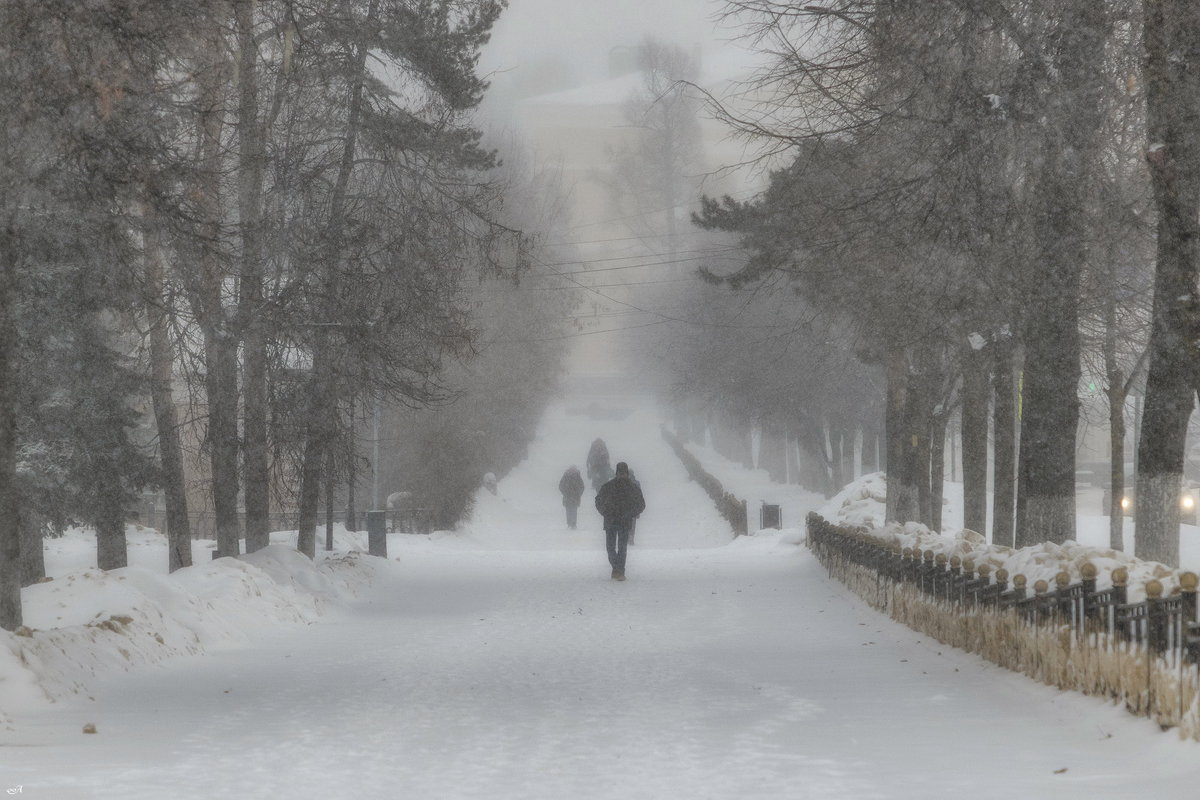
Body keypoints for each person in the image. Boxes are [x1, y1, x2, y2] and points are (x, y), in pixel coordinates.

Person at [594, 461, 645, 581]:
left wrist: (631, 514)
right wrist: (605, 512)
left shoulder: (633, 488)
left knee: (622, 548)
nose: (622, 475)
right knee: (610, 548)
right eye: (620, 472)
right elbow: (598, 501)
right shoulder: (608, 486)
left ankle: (619, 571)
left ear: (627, 473)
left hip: (624, 521)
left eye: (623, 473)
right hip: (611, 520)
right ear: (616, 473)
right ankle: (617, 569)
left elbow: (641, 504)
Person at [558, 465, 585, 529]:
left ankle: (573, 523)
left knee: (574, 510)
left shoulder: (577, 476)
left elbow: (582, 486)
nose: (572, 470)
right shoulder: (565, 476)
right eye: (571, 469)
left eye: (573, 469)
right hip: (568, 496)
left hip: (574, 497)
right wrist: (564, 492)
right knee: (568, 510)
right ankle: (569, 523)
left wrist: (579, 493)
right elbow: (561, 485)